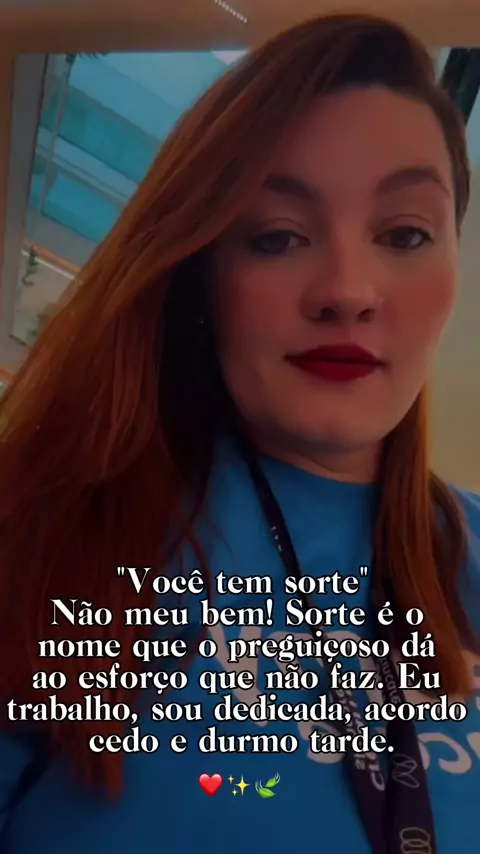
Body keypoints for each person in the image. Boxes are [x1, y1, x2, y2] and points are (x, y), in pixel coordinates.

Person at [0, 11, 479, 854]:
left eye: (405, 233)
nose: (347, 290)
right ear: (201, 275)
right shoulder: (47, 534)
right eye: (278, 236)